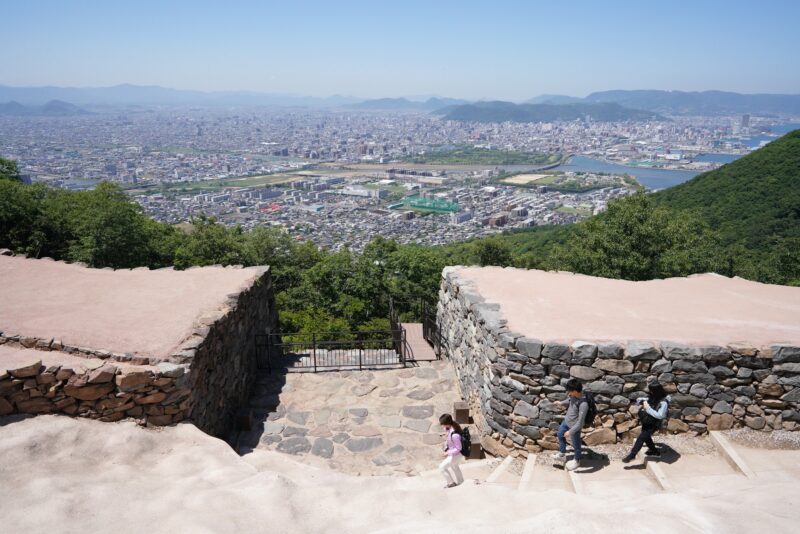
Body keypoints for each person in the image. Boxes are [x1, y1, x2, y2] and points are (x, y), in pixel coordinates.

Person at [622, 382, 671, 463]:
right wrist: (642, 401)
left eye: (651, 391)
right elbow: (644, 400)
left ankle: (632, 455)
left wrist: (648, 408)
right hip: (647, 421)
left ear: (656, 391)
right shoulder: (654, 397)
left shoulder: (664, 402)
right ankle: (655, 451)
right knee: (646, 437)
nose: (650, 392)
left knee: (641, 437)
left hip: (655, 423)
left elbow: (660, 415)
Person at [555, 379, 588, 471]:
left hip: (574, 427)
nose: (568, 392)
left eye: (569, 390)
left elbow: (580, 423)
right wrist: (561, 403)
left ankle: (577, 460)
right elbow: (569, 400)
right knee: (560, 435)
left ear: (574, 391)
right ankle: (562, 454)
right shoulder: (573, 396)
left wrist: (570, 431)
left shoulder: (584, 404)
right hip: (566, 421)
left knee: (576, 445)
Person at [438, 413, 464, 488]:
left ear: (447, 423)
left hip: (456, 455)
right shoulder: (452, 427)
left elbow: (458, 448)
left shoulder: (455, 435)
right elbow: (450, 433)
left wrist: (447, 453)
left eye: (443, 424)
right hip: (455, 454)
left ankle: (451, 483)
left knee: (442, 467)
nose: (442, 426)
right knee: (454, 466)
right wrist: (446, 434)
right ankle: (461, 482)